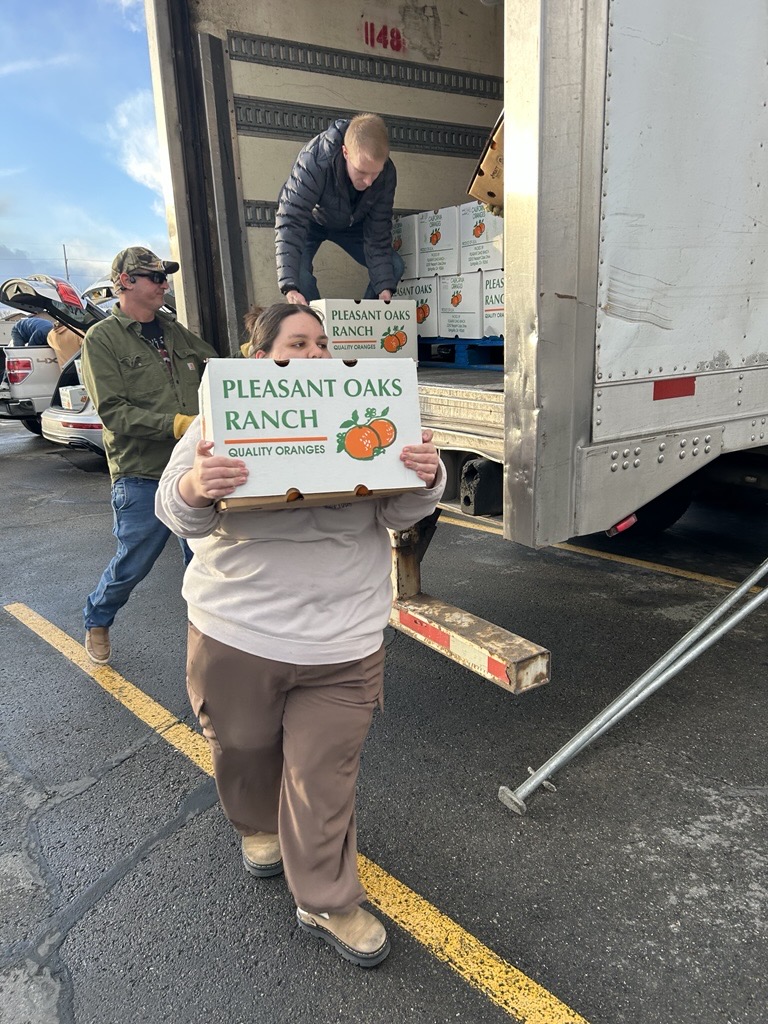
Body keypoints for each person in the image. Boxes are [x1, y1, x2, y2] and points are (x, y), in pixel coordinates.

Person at [155, 302, 445, 968]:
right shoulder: (220, 419)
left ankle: (326, 898)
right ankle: (256, 823)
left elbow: (403, 508)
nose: (316, 353)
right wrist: (199, 485)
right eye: (297, 342)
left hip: (344, 640)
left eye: (323, 343)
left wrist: (426, 473)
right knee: (242, 746)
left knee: (324, 775)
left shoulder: (367, 412)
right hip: (239, 632)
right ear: (259, 360)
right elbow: (174, 508)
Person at [80, 246, 217, 666]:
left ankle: (212, 643)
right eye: (153, 277)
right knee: (134, 560)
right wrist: (175, 425)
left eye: (164, 277)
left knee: (206, 562)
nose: (163, 284)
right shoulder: (101, 339)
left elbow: (217, 367)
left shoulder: (175, 332)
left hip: (190, 470)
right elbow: (113, 412)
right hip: (141, 472)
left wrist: (259, 354)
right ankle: (97, 619)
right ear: (124, 282)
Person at [275, 113, 405, 304]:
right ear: (345, 153)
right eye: (361, 172)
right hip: (311, 221)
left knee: (393, 267)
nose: (369, 182)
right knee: (300, 279)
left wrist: (384, 287)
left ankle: (365, 327)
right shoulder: (314, 161)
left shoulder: (387, 175)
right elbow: (291, 221)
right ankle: (318, 329)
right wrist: (290, 286)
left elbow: (378, 233)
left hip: (351, 224)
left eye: (375, 173)